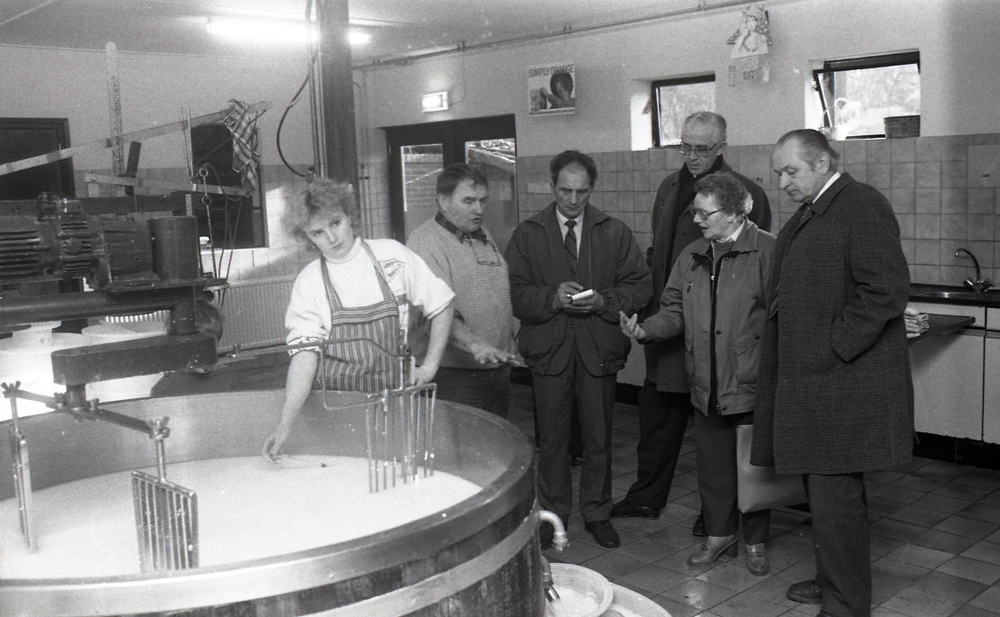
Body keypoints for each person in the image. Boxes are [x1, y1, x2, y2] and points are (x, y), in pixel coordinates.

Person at [754, 129, 913, 616]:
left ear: (822, 162)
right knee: (827, 498)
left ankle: (845, 604)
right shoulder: (815, 209)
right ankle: (832, 581)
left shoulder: (860, 204)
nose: (783, 182)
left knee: (835, 498)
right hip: (817, 384)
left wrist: (833, 346)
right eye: (779, 172)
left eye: (791, 171)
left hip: (841, 384)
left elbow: (886, 290)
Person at [612, 111, 771, 537]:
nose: (693, 155)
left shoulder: (746, 192)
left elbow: (751, 271)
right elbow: (662, 254)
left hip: (721, 341)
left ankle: (716, 513)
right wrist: (651, 318)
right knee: (657, 418)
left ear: (721, 147)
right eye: (685, 146)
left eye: (702, 148)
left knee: (720, 435)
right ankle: (647, 497)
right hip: (671, 326)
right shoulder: (669, 188)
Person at [505, 150, 650, 549]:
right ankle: (553, 515)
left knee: (599, 438)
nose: (573, 200)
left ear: (592, 189)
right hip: (549, 352)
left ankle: (597, 513)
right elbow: (513, 293)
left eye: (581, 192)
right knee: (552, 440)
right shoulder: (529, 234)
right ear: (552, 186)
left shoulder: (614, 232)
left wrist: (604, 302)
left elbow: (640, 286)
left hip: (598, 351)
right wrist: (551, 298)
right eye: (565, 190)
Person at [262, 179, 454, 459]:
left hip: (392, 402)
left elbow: (442, 303)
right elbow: (304, 357)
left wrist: (430, 366)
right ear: (307, 238)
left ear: (350, 216)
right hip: (335, 410)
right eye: (317, 232)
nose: (331, 238)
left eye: (335, 223)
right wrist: (284, 424)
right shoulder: (310, 281)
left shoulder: (392, 255)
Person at [407, 163, 523, 417]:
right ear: (443, 201)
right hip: (453, 377)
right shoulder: (425, 242)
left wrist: (507, 341)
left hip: (494, 369)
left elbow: (493, 294)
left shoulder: (482, 234)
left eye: (483, 200)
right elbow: (436, 312)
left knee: (496, 439)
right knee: (460, 442)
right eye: (468, 201)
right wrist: (476, 345)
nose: (479, 210)